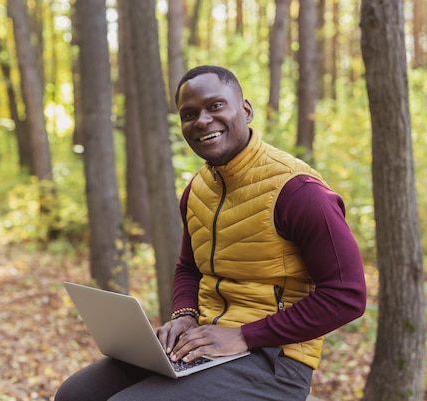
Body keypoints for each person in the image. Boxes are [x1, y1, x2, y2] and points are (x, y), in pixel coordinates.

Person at [55, 65, 367, 401]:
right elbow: (189, 267)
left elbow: (346, 295)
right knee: (75, 395)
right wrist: (185, 316)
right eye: (189, 114)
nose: (202, 120)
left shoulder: (298, 191)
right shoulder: (197, 190)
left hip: (276, 361)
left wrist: (244, 335)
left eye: (215, 106)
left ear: (245, 110)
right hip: (206, 344)